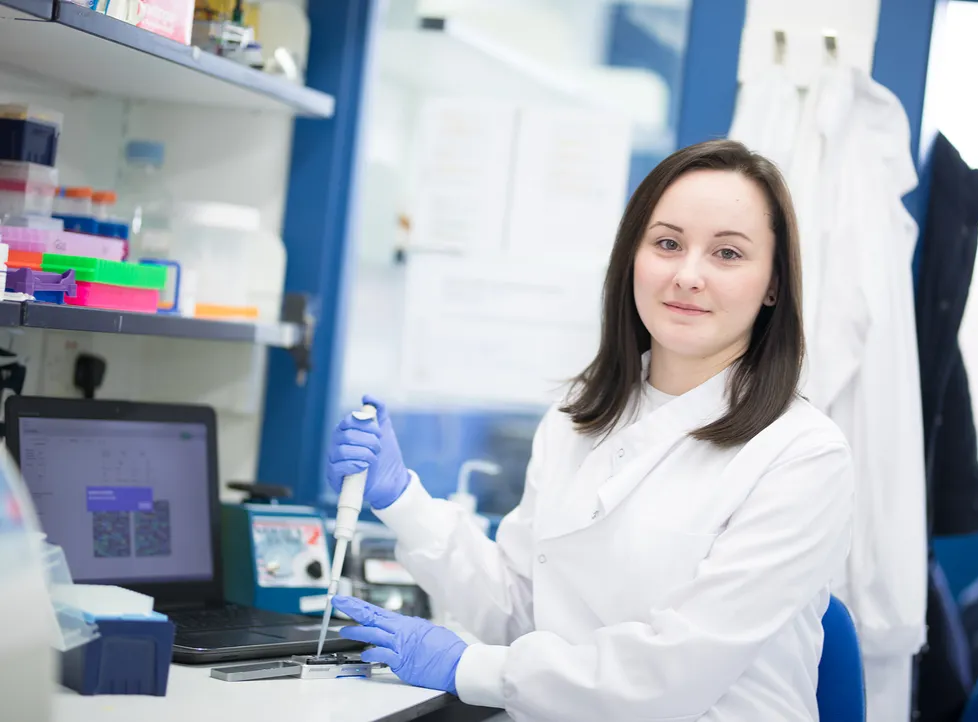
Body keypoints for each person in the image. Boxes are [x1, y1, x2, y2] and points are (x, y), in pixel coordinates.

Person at [326, 139, 855, 721]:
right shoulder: (577, 419)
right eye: (667, 243)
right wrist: (401, 500)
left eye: (727, 253)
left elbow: (672, 675)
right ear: (632, 257)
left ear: (773, 283)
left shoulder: (802, 455)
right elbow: (522, 614)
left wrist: (463, 666)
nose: (688, 275)